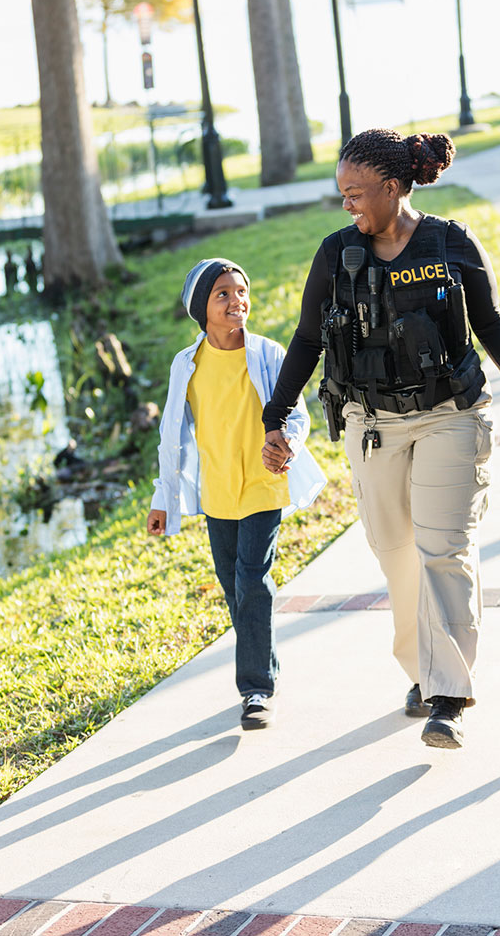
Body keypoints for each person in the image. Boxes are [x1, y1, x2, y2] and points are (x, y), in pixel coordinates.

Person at [261, 128, 500, 749]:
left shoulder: (450, 243)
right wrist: (274, 416)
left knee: (443, 549)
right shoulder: (337, 254)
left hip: (450, 414)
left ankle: (448, 696)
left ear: (392, 189)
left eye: (356, 193)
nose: (347, 205)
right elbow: (309, 339)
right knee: (396, 554)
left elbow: (489, 323)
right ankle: (424, 670)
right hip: (370, 425)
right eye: (342, 194)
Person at [147, 258, 326, 730]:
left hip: (263, 486)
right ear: (200, 308)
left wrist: (286, 444)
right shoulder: (187, 366)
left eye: (241, 291)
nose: (236, 301)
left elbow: (299, 417)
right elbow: (171, 437)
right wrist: (161, 498)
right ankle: (263, 664)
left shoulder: (267, 354)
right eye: (222, 294)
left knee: (252, 580)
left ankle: (255, 689)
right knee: (234, 586)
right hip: (217, 492)